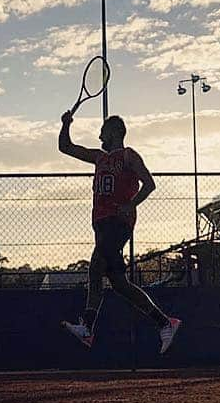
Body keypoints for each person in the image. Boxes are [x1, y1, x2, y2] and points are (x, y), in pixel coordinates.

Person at [58, 111, 181, 354]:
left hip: (118, 221)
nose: (99, 134)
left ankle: (87, 327)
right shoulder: (99, 157)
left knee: (95, 268)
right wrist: (66, 124)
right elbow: (66, 147)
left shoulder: (128, 156)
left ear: (114, 132)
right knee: (118, 283)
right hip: (102, 223)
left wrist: (131, 204)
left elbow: (150, 183)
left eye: (103, 130)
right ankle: (165, 323)